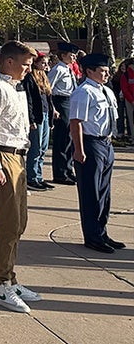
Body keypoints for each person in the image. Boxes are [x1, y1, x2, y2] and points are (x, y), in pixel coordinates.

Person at [0, 41, 40, 313]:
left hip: (17, 156)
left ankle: (10, 278)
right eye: (24, 65)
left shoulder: (13, 87)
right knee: (9, 222)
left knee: (19, 221)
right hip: (2, 157)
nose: (28, 70)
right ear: (9, 62)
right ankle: (1, 283)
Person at [69, 54, 123, 253]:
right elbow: (76, 122)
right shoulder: (84, 92)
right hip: (90, 144)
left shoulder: (105, 91)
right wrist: (79, 149)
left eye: (107, 70)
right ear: (89, 71)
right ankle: (92, 236)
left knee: (104, 192)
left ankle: (102, 232)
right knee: (91, 192)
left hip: (106, 143)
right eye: (102, 70)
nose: (106, 73)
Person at [48, 43, 79, 185]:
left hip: (70, 102)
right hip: (61, 102)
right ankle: (60, 173)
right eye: (71, 55)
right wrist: (53, 108)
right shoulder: (58, 69)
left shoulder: (69, 69)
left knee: (69, 138)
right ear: (63, 55)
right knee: (62, 139)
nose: (74, 58)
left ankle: (67, 170)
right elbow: (48, 88)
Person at [23, 54, 54, 192]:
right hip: (37, 116)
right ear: (36, 63)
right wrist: (31, 119)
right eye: (43, 62)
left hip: (46, 114)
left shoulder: (44, 77)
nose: (45, 65)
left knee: (43, 148)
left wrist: (54, 112)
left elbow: (48, 98)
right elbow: (28, 99)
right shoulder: (30, 78)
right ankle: (32, 177)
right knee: (35, 147)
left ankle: (39, 176)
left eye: (47, 62)